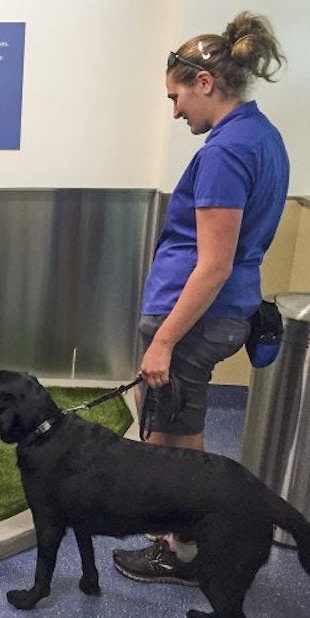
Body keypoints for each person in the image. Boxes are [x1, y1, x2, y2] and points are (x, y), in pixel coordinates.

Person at [112, 12, 289, 585]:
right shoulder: (262, 136)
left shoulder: (224, 153)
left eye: (177, 95)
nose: (175, 110)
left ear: (205, 84)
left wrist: (163, 340)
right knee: (177, 427)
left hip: (194, 319)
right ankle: (182, 538)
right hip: (224, 310)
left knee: (173, 442)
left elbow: (211, 265)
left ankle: (182, 551)